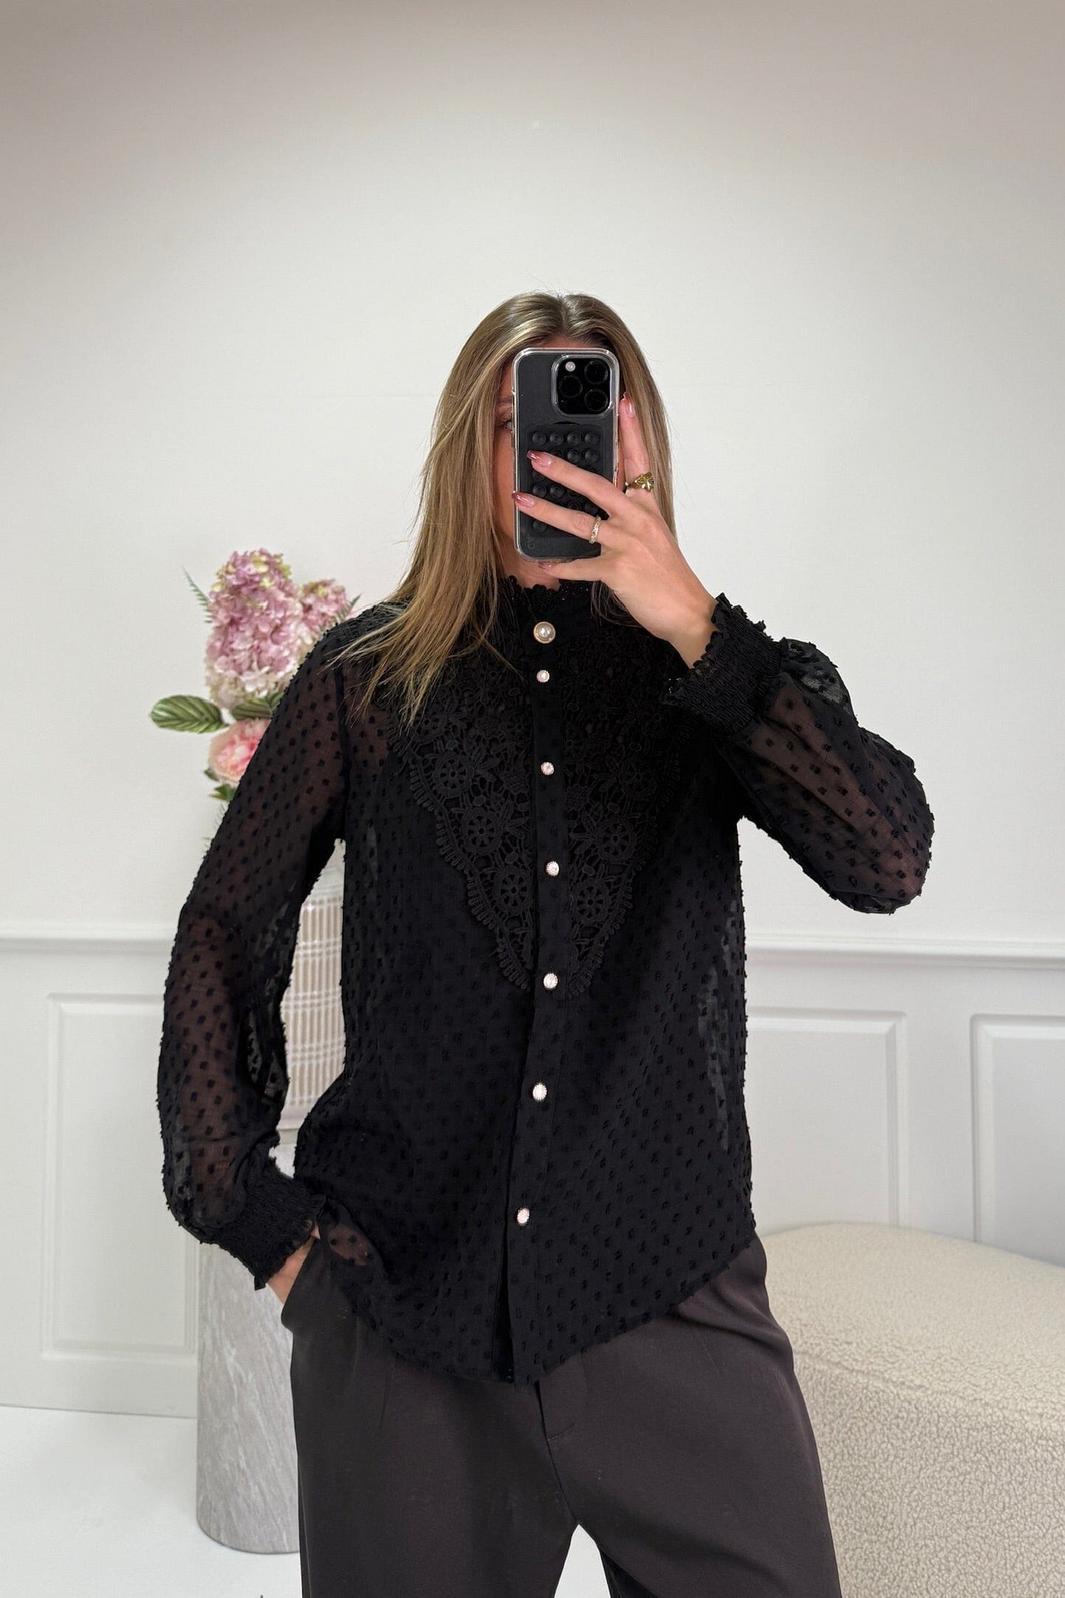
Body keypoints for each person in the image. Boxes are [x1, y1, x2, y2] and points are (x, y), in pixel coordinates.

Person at [157, 292, 934, 1596]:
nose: (556, 449)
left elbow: (885, 861)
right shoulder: (364, 679)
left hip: (668, 1296)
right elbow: (226, 923)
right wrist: (256, 1217)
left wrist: (698, 626)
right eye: (525, 418)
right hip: (404, 1315)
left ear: (639, 444)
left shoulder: (727, 677)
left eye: (592, 413)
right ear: (472, 446)